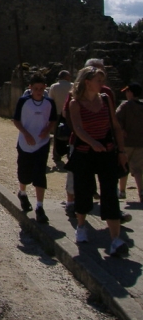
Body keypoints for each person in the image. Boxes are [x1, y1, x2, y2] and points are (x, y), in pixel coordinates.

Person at [68, 66, 128, 256]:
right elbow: (78, 128)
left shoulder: (105, 99)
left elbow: (115, 126)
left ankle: (115, 240)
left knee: (109, 192)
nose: (102, 84)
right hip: (85, 152)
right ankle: (82, 225)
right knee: (84, 190)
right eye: (98, 80)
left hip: (106, 151)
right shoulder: (75, 103)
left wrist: (122, 150)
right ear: (87, 82)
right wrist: (92, 142)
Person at [12, 73, 57, 224]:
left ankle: (40, 207)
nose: (38, 91)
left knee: (39, 174)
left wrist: (47, 130)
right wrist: (26, 134)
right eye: (35, 88)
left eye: (41, 88)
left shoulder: (49, 102)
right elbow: (16, 120)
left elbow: (52, 120)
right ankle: (22, 192)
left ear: (45, 88)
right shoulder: (24, 101)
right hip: (25, 143)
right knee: (24, 173)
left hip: (42, 144)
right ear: (30, 88)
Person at [117, 82, 143, 202]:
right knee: (138, 169)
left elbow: (116, 119)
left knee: (123, 166)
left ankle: (122, 191)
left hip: (126, 142)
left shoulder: (125, 105)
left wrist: (121, 130)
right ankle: (141, 191)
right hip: (140, 142)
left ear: (130, 93)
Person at [48, 70, 73, 164]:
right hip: (70, 114)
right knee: (70, 134)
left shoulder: (54, 87)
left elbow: (50, 100)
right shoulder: (72, 86)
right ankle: (69, 154)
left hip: (57, 113)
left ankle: (56, 155)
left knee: (57, 135)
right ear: (66, 77)